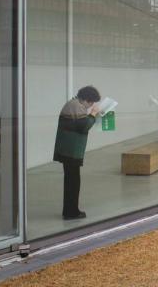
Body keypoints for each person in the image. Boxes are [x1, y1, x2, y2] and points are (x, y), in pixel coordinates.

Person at [54, 85, 101, 220]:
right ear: (86, 99)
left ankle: (70, 210)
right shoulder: (76, 106)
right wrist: (93, 114)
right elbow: (83, 127)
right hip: (70, 151)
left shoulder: (74, 104)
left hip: (68, 149)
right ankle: (71, 212)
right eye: (91, 103)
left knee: (72, 181)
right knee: (73, 182)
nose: (90, 106)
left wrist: (91, 115)